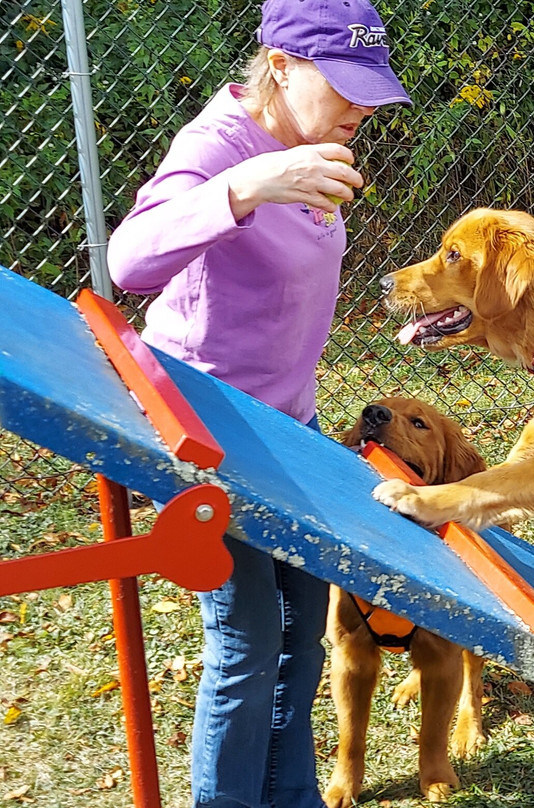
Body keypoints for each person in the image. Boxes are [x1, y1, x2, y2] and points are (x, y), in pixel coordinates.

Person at [106, 1, 411, 806]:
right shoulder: (221, 147)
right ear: (280, 66)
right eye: (344, 88)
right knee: (247, 641)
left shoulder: (317, 143)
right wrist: (246, 187)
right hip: (208, 428)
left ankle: (291, 797)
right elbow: (129, 259)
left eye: (370, 88)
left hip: (287, 427)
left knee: (302, 639)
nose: (363, 108)